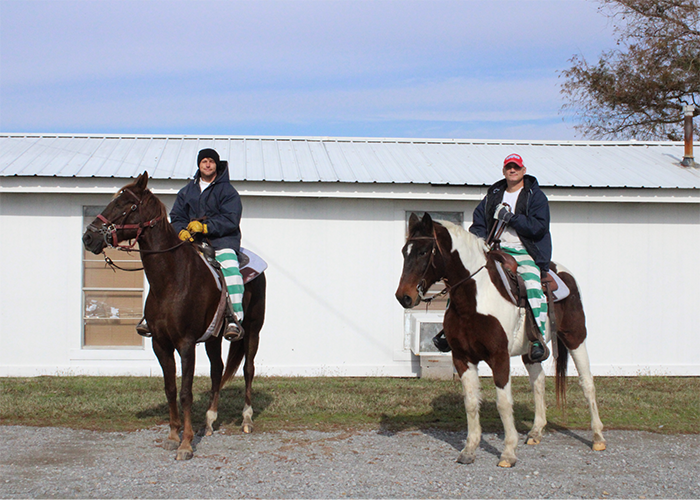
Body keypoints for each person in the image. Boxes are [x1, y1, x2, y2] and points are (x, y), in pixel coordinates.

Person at [136, 148, 245, 341]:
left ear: (217, 165)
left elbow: (231, 219)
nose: (207, 164)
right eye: (204, 161)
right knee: (164, 270)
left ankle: (234, 319)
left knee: (232, 272)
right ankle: (151, 316)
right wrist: (181, 231)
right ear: (199, 164)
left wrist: (205, 227)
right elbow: (176, 216)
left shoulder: (228, 192)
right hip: (191, 243)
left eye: (211, 161)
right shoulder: (186, 191)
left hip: (221, 242)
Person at [468, 153, 552, 362]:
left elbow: (539, 227)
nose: (512, 170)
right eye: (508, 167)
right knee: (466, 279)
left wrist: (512, 219)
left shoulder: (535, 196)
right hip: (496, 249)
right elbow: (478, 221)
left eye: (516, 167)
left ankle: (536, 338)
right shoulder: (493, 195)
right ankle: (448, 331)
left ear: (523, 171)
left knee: (532, 284)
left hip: (524, 250)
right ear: (504, 171)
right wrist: (480, 239)